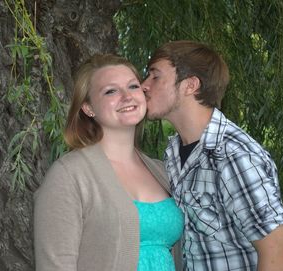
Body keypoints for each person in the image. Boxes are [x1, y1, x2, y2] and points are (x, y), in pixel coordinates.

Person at [142, 40, 283, 271]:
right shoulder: (173, 152)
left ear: (190, 85)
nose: (143, 85)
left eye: (155, 76)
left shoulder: (233, 155)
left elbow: (277, 253)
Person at [34, 54, 184, 271]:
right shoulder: (69, 175)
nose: (127, 96)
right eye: (110, 91)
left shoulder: (161, 170)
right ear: (88, 108)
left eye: (133, 86)